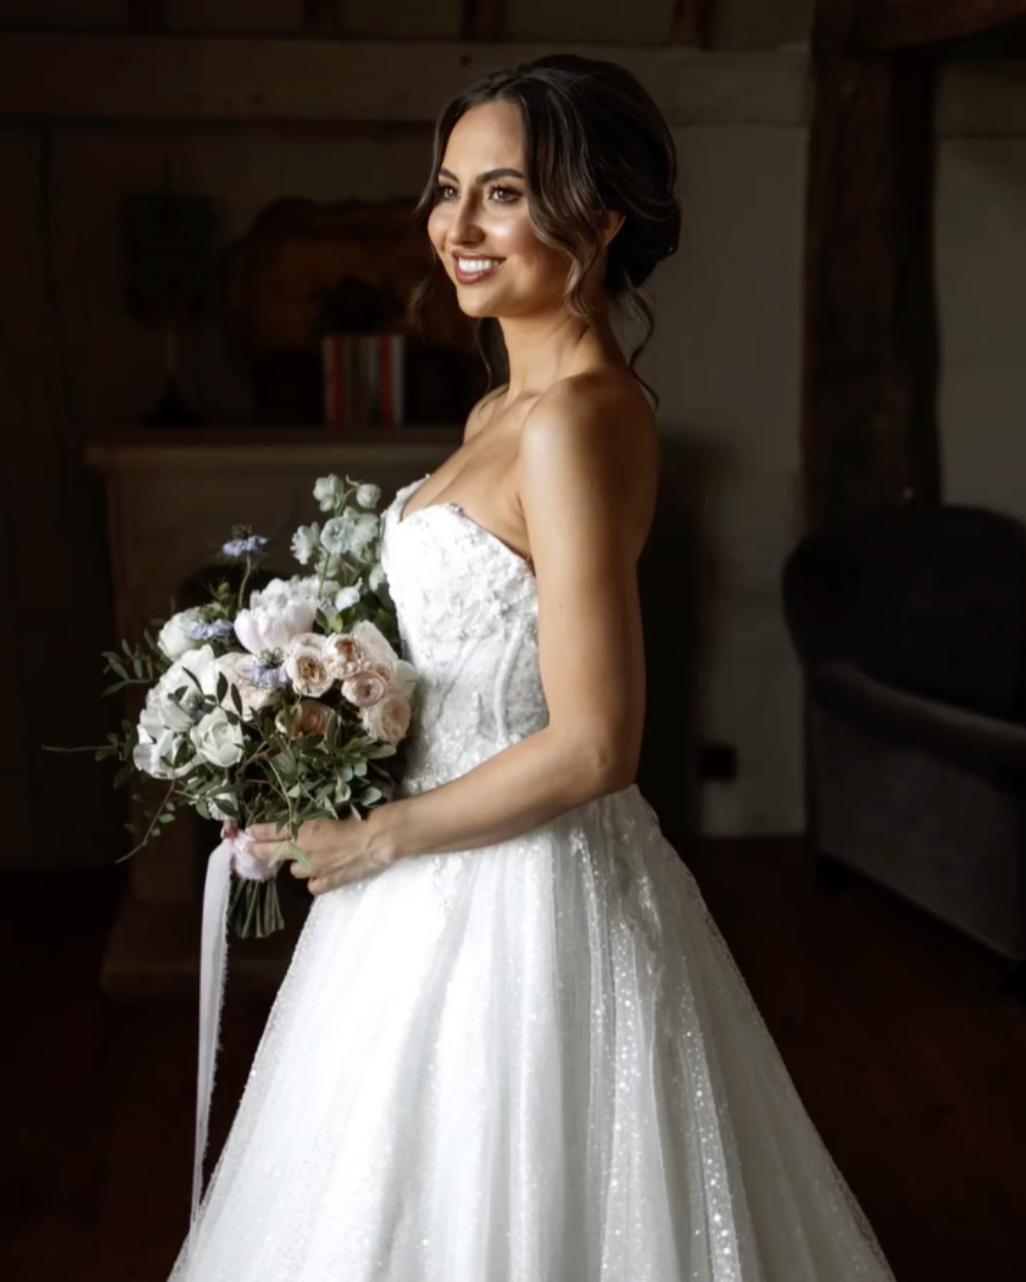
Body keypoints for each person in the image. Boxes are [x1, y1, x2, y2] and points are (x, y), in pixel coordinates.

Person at [169, 55, 898, 1281]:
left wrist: (381, 835)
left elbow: (597, 742)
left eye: (501, 192)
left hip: (522, 894)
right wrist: (312, 716)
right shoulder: (498, 413)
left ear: (599, 217)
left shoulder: (578, 418)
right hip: (419, 882)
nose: (456, 226)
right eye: (448, 189)